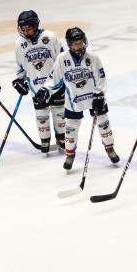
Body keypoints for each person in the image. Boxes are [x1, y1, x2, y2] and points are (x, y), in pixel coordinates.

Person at [36, 27, 119, 170]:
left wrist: (99, 94)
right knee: (71, 128)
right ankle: (70, 154)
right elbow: (54, 79)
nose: (78, 46)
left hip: (94, 97)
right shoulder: (62, 59)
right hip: (73, 99)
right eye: (75, 43)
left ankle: (110, 148)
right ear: (69, 44)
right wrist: (45, 89)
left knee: (103, 122)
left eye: (80, 42)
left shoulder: (92, 57)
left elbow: (100, 78)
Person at [12, 10, 66, 153]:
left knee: (59, 113)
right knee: (41, 116)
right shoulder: (20, 43)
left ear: (36, 25)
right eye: (23, 29)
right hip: (36, 86)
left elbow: (62, 60)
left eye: (28, 28)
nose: (26, 31)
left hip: (55, 84)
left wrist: (64, 78)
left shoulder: (50, 37)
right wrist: (19, 81)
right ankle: (45, 140)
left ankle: (62, 138)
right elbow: (20, 66)